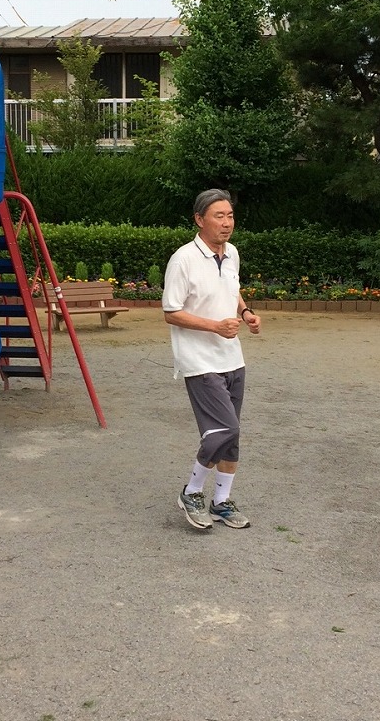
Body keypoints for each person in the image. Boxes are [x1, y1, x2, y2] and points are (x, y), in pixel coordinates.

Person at [162, 188, 261, 531]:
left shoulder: (231, 253)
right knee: (224, 429)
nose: (227, 222)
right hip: (199, 360)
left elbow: (232, 289)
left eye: (230, 215)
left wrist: (245, 312)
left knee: (232, 436)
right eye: (219, 216)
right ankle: (191, 492)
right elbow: (171, 312)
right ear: (199, 220)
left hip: (232, 357)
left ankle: (221, 502)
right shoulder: (183, 259)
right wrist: (215, 326)